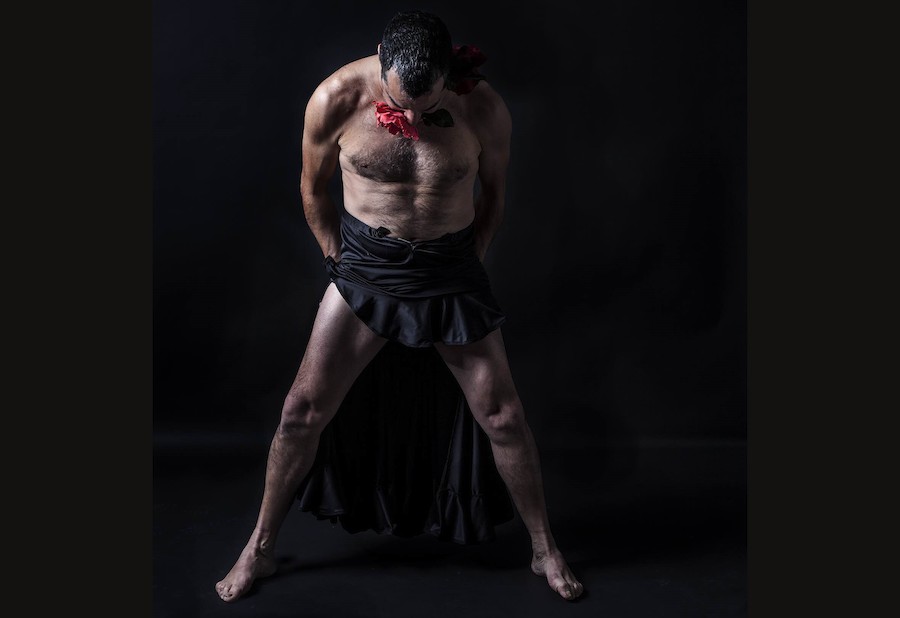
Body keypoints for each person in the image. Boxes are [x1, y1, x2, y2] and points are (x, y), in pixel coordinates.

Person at [215, 9, 584, 603]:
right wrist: (339, 262)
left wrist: (467, 262)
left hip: (450, 270)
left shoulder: (484, 108)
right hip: (366, 268)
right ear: (382, 61)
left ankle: (544, 550)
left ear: (448, 73)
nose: (410, 120)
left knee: (504, 417)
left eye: (425, 104)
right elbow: (312, 188)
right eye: (399, 104)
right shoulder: (336, 97)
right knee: (300, 413)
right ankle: (259, 546)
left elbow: (494, 196)